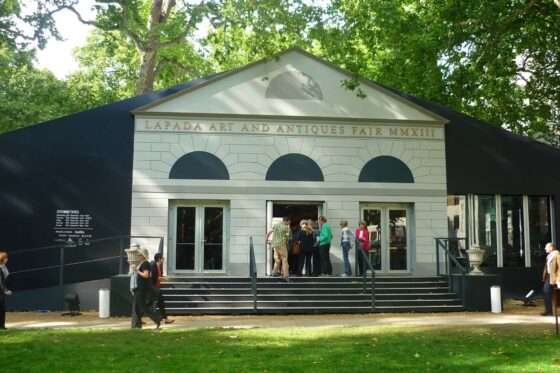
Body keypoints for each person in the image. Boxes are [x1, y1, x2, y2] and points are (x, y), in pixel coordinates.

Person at [131, 248, 161, 329]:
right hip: (139, 288)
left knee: (143, 308)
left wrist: (137, 270)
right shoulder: (142, 263)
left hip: (142, 289)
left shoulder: (145, 264)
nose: (138, 256)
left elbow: (146, 275)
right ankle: (137, 325)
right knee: (137, 307)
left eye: (139, 254)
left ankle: (157, 320)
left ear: (143, 255)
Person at [150, 253, 174, 324]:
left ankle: (164, 318)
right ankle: (159, 318)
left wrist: (163, 278)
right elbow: (154, 277)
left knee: (160, 303)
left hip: (157, 287)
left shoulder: (159, 266)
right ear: (159, 259)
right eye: (162, 258)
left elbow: (159, 276)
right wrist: (165, 279)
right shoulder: (153, 266)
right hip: (153, 288)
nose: (163, 259)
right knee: (150, 304)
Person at [541, 243, 560, 316]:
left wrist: (558, 279)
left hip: (555, 277)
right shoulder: (549, 256)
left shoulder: (557, 255)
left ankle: (549, 312)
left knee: (557, 294)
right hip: (549, 276)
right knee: (546, 292)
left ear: (551, 248)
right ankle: (549, 312)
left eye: (546, 247)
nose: (545, 249)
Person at [272, 216, 291, 281]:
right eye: (289, 222)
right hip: (282, 244)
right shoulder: (286, 228)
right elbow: (288, 237)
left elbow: (270, 232)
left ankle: (274, 272)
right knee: (284, 259)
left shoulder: (276, 225)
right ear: (286, 221)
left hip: (275, 245)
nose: (289, 224)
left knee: (277, 259)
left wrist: (266, 240)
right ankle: (285, 275)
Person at [0, 251, 12, 330]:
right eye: (6, 258)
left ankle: (2, 325)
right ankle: (1, 326)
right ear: (2, 259)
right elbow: (0, 281)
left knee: (2, 308)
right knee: (1, 308)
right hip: (0, 291)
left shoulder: (4, 267)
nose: (7, 259)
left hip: (2, 291)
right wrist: (5, 291)